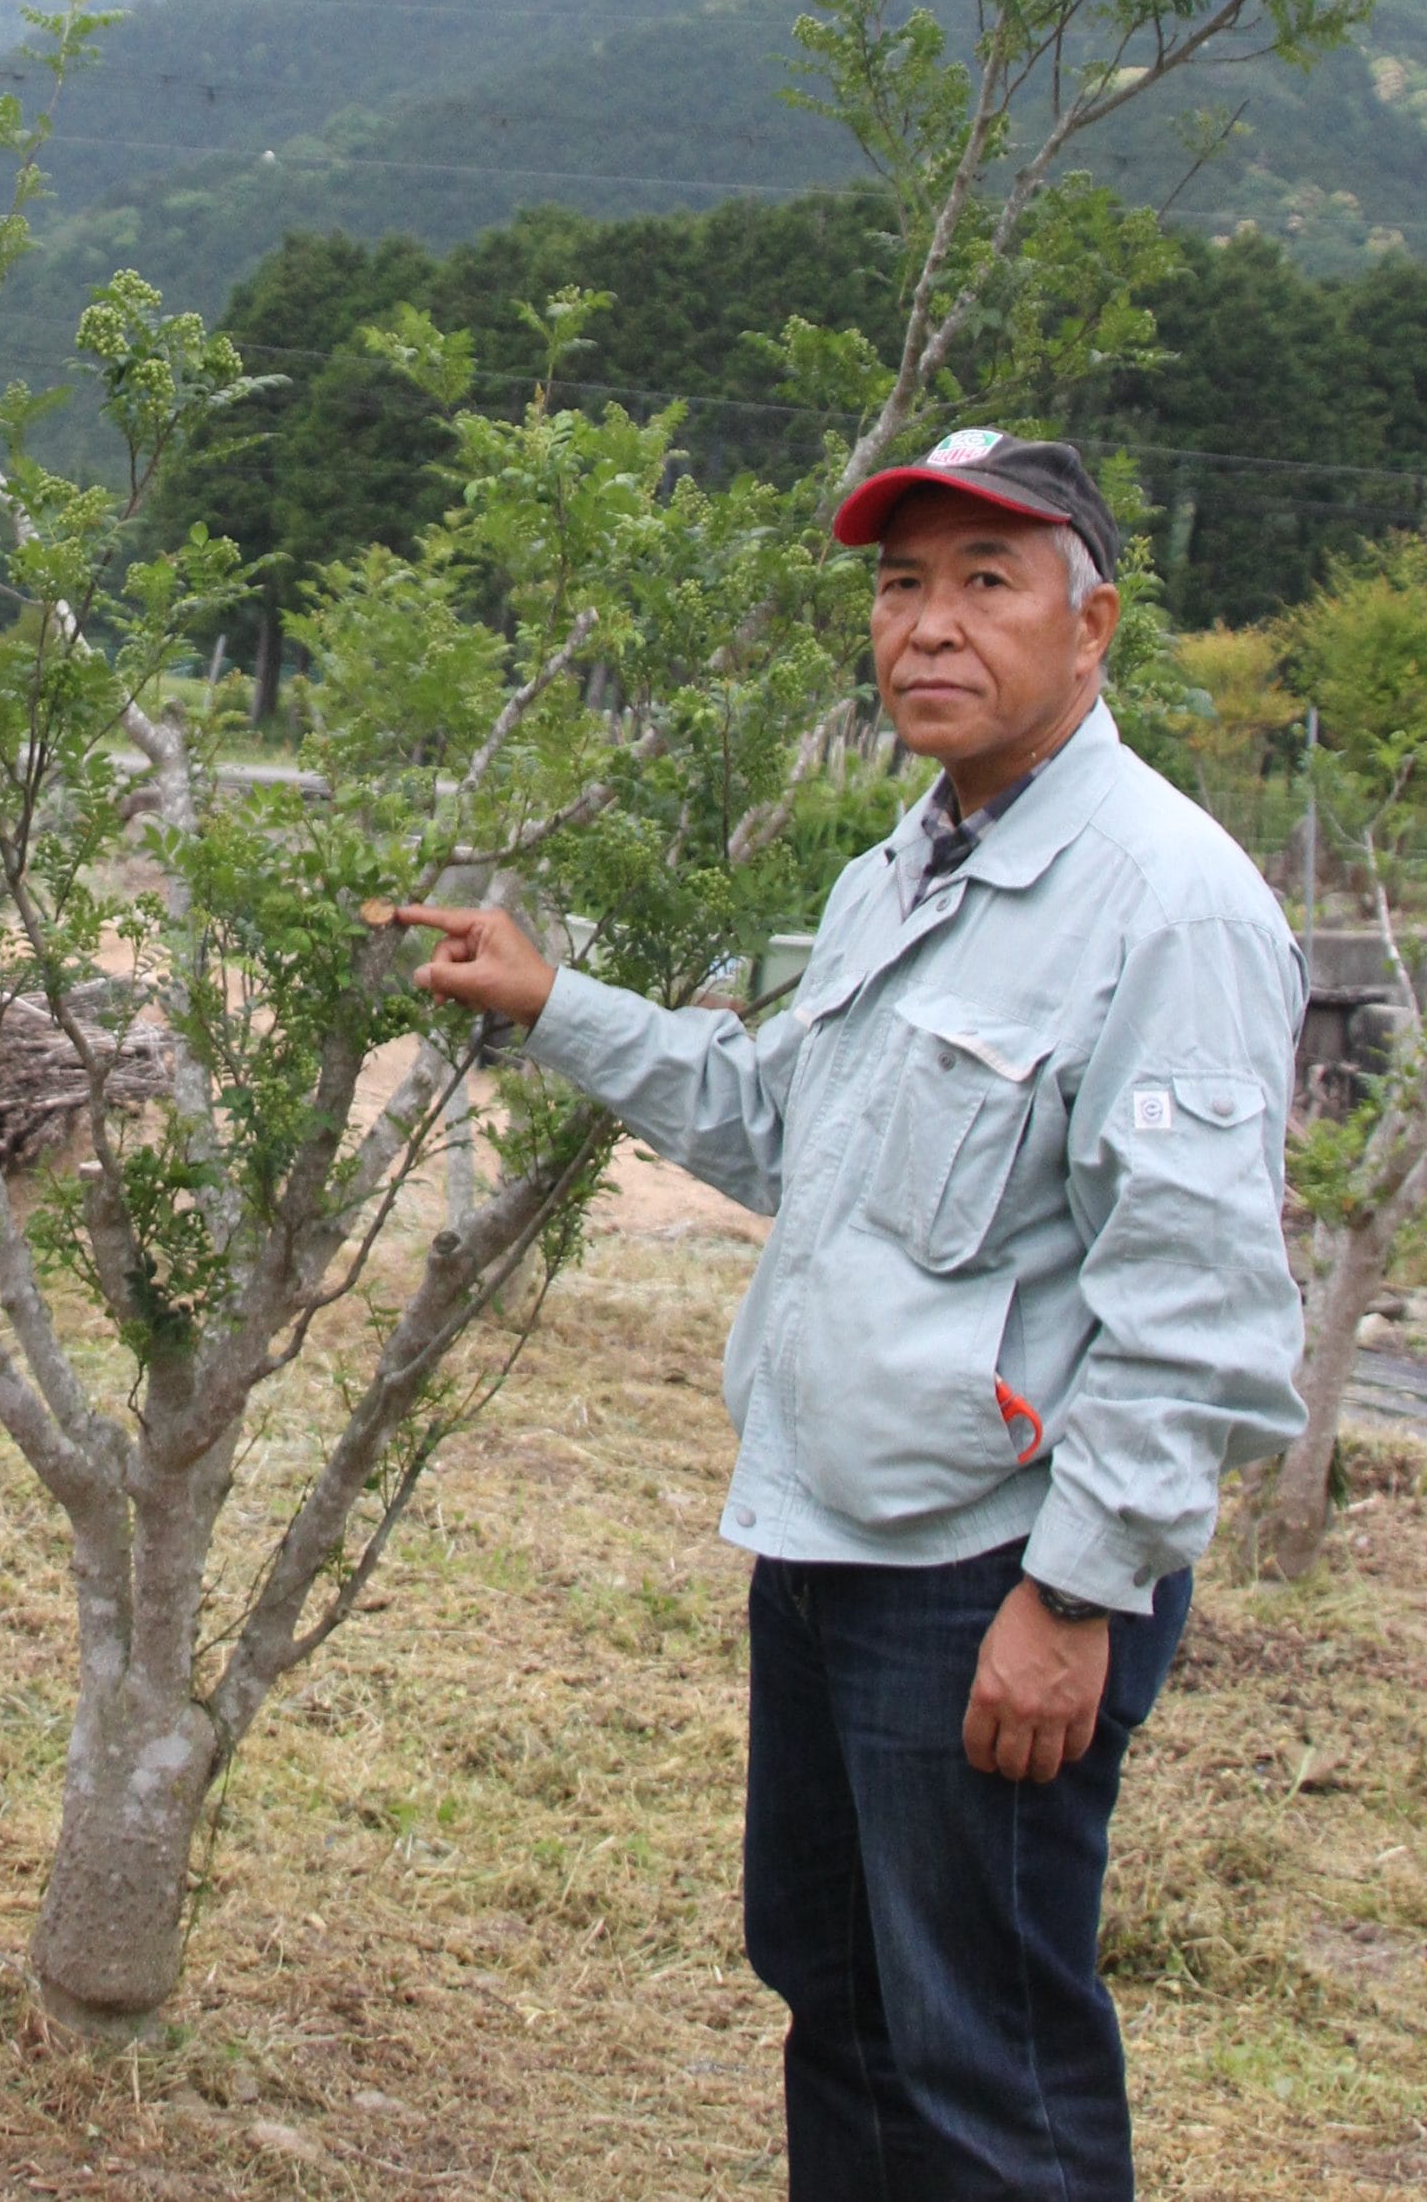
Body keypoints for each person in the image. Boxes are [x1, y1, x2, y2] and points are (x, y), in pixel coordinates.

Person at [402, 431, 1305, 2201]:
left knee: (991, 2063)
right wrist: (557, 1001)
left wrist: (1074, 1599)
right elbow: (784, 1130)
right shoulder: (903, 868)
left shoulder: (1168, 903)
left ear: (1091, 621)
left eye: (988, 578)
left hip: (995, 1575)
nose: (931, 626)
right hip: (832, 1538)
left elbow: (1198, 1316)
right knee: (843, 2008)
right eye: (903, 584)